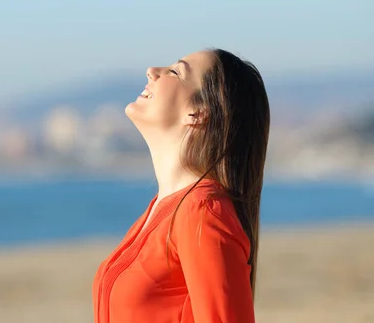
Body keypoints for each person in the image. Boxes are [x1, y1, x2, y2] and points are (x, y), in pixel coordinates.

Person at [92, 49, 270, 323]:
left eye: (176, 72)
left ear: (197, 113)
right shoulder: (164, 208)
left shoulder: (203, 212)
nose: (152, 70)